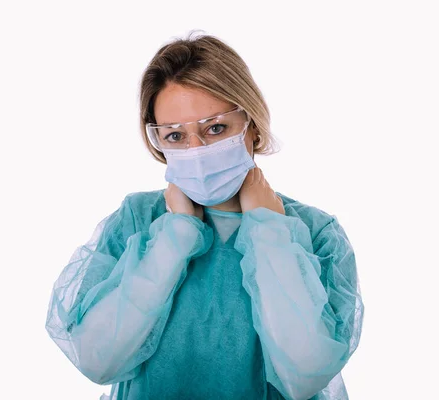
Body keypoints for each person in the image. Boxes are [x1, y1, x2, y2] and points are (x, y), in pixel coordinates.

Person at [45, 32, 364, 400]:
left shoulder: (313, 232)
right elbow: (98, 359)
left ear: (252, 124)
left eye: (215, 128)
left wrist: (269, 231)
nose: (196, 151)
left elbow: (306, 373)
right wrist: (175, 237)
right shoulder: (138, 221)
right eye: (176, 136)